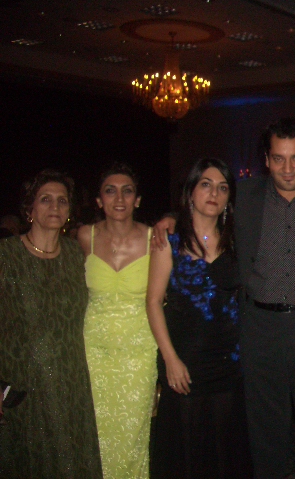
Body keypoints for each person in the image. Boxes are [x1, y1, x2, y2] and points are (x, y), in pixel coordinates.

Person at [153, 118, 295, 477]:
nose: (288, 168)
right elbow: (205, 205)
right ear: (266, 160)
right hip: (260, 328)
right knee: (265, 428)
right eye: (279, 158)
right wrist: (170, 218)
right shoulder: (244, 195)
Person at [146, 157, 251, 478]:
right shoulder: (169, 241)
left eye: (222, 187)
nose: (214, 193)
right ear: (191, 191)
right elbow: (153, 302)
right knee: (187, 451)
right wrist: (170, 359)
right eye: (206, 184)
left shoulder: (237, 240)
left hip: (229, 362)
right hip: (186, 361)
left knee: (224, 452)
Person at [0, 169, 103, 478]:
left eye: (62, 200)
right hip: (25, 386)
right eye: (45, 199)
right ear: (29, 208)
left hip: (72, 384)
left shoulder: (75, 254)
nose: (55, 206)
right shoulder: (7, 255)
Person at [78, 163, 157, 479]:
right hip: (94, 352)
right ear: (99, 201)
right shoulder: (85, 236)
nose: (119, 198)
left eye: (127, 191)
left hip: (139, 352)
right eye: (110, 191)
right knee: (97, 433)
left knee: (134, 435)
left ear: (137, 200)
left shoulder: (155, 239)